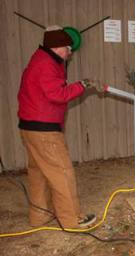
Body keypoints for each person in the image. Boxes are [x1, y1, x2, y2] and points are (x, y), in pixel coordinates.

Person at [18, 25, 100, 229]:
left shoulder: (40, 59)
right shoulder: (46, 64)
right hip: (44, 130)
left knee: (39, 172)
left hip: (29, 127)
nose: (70, 52)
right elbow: (57, 95)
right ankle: (72, 219)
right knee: (62, 172)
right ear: (56, 46)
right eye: (67, 47)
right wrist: (81, 85)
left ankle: (40, 216)